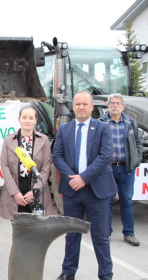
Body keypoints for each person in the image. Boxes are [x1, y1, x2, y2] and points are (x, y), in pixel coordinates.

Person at [52, 91, 117, 280]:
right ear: (73, 106)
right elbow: (57, 156)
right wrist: (72, 177)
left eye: (85, 104)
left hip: (97, 191)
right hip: (72, 190)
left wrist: (84, 178)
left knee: (101, 236)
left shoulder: (103, 128)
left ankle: (106, 275)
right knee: (71, 234)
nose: (81, 107)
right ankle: (68, 273)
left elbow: (105, 156)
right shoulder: (64, 129)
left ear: (91, 107)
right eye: (78, 104)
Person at [0, 106, 55, 220]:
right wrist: (15, 193)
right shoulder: (9, 140)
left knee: (37, 228)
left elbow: (45, 168)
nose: (27, 121)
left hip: (36, 186)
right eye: (24, 117)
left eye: (31, 118)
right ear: (19, 119)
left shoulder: (43, 140)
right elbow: (4, 166)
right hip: (16, 186)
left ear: (35, 120)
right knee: (18, 228)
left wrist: (34, 191)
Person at [102, 93, 143, 246]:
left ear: (123, 106)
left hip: (126, 169)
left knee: (127, 201)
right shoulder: (102, 123)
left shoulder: (131, 123)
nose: (115, 105)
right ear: (108, 105)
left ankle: (129, 233)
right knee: (107, 201)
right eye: (112, 103)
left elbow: (139, 142)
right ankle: (106, 232)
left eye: (118, 103)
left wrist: (136, 160)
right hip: (108, 169)